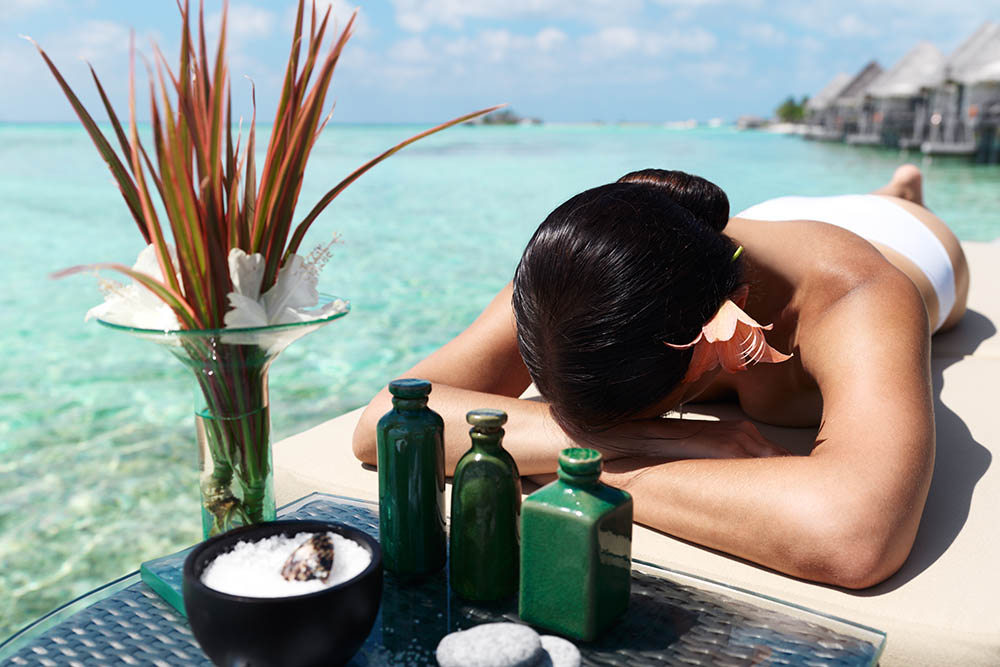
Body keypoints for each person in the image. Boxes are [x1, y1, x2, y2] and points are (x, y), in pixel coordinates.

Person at [352, 164, 969, 589]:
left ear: (737, 309)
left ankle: (900, 190)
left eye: (656, 411)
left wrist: (558, 464)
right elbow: (385, 418)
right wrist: (637, 443)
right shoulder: (595, 271)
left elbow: (853, 535)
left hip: (908, 244)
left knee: (900, 209)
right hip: (732, 228)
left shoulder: (857, 295)